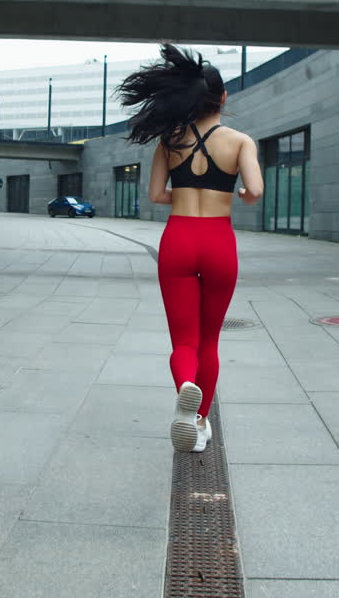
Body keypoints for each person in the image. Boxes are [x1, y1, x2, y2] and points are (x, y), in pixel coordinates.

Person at [117, 45, 264, 452]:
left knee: (184, 341)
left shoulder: (168, 141)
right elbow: (255, 191)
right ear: (223, 98)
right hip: (218, 241)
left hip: (178, 239)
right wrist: (234, 195)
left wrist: (186, 193)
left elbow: (156, 195)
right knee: (210, 340)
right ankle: (198, 421)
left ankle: (185, 386)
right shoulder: (239, 142)